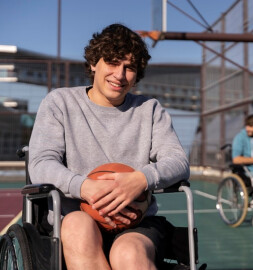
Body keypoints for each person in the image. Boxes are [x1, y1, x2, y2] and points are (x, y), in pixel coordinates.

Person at [28, 23, 189, 270]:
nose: (120, 75)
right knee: (77, 227)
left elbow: (178, 161)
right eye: (112, 63)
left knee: (129, 255)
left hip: (137, 224)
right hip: (75, 218)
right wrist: (85, 187)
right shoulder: (60, 103)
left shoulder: (149, 109)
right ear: (94, 63)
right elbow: (41, 163)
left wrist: (140, 180)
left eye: (129, 68)